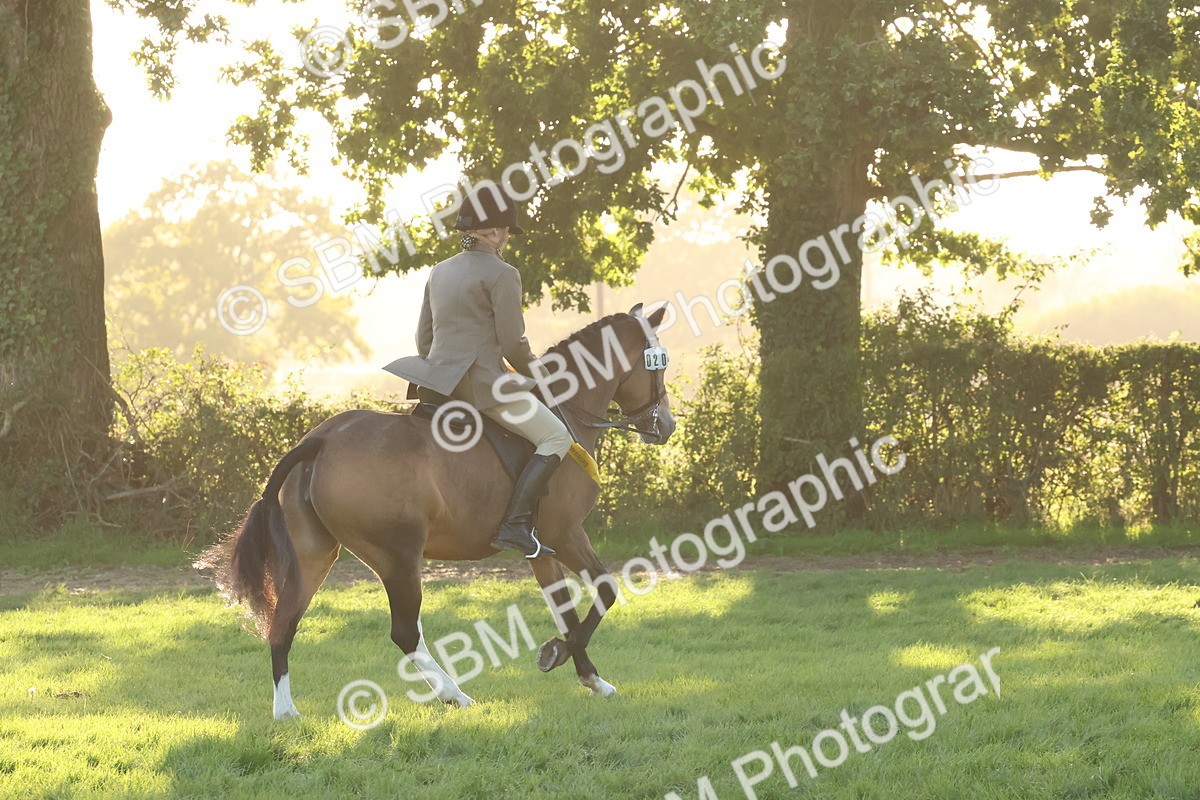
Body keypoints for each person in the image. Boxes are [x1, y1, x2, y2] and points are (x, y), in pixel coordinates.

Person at [384, 185, 573, 559]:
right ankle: (515, 525)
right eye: (503, 230)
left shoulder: (439, 271)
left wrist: (443, 366)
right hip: (483, 388)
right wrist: (540, 377)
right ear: (494, 232)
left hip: (435, 385)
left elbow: (424, 337)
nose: (505, 237)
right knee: (557, 437)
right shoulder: (503, 274)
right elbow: (512, 344)